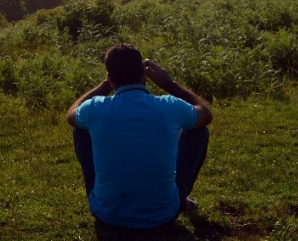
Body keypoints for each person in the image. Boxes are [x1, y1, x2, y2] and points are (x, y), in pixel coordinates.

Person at [66, 43, 213, 229]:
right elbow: (205, 114)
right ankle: (178, 198)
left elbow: (71, 113)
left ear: (111, 79)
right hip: (163, 216)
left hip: (106, 214)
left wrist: (103, 87)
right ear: (143, 74)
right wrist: (169, 84)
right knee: (199, 129)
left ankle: (108, 197)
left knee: (80, 128)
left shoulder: (95, 108)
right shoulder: (169, 106)